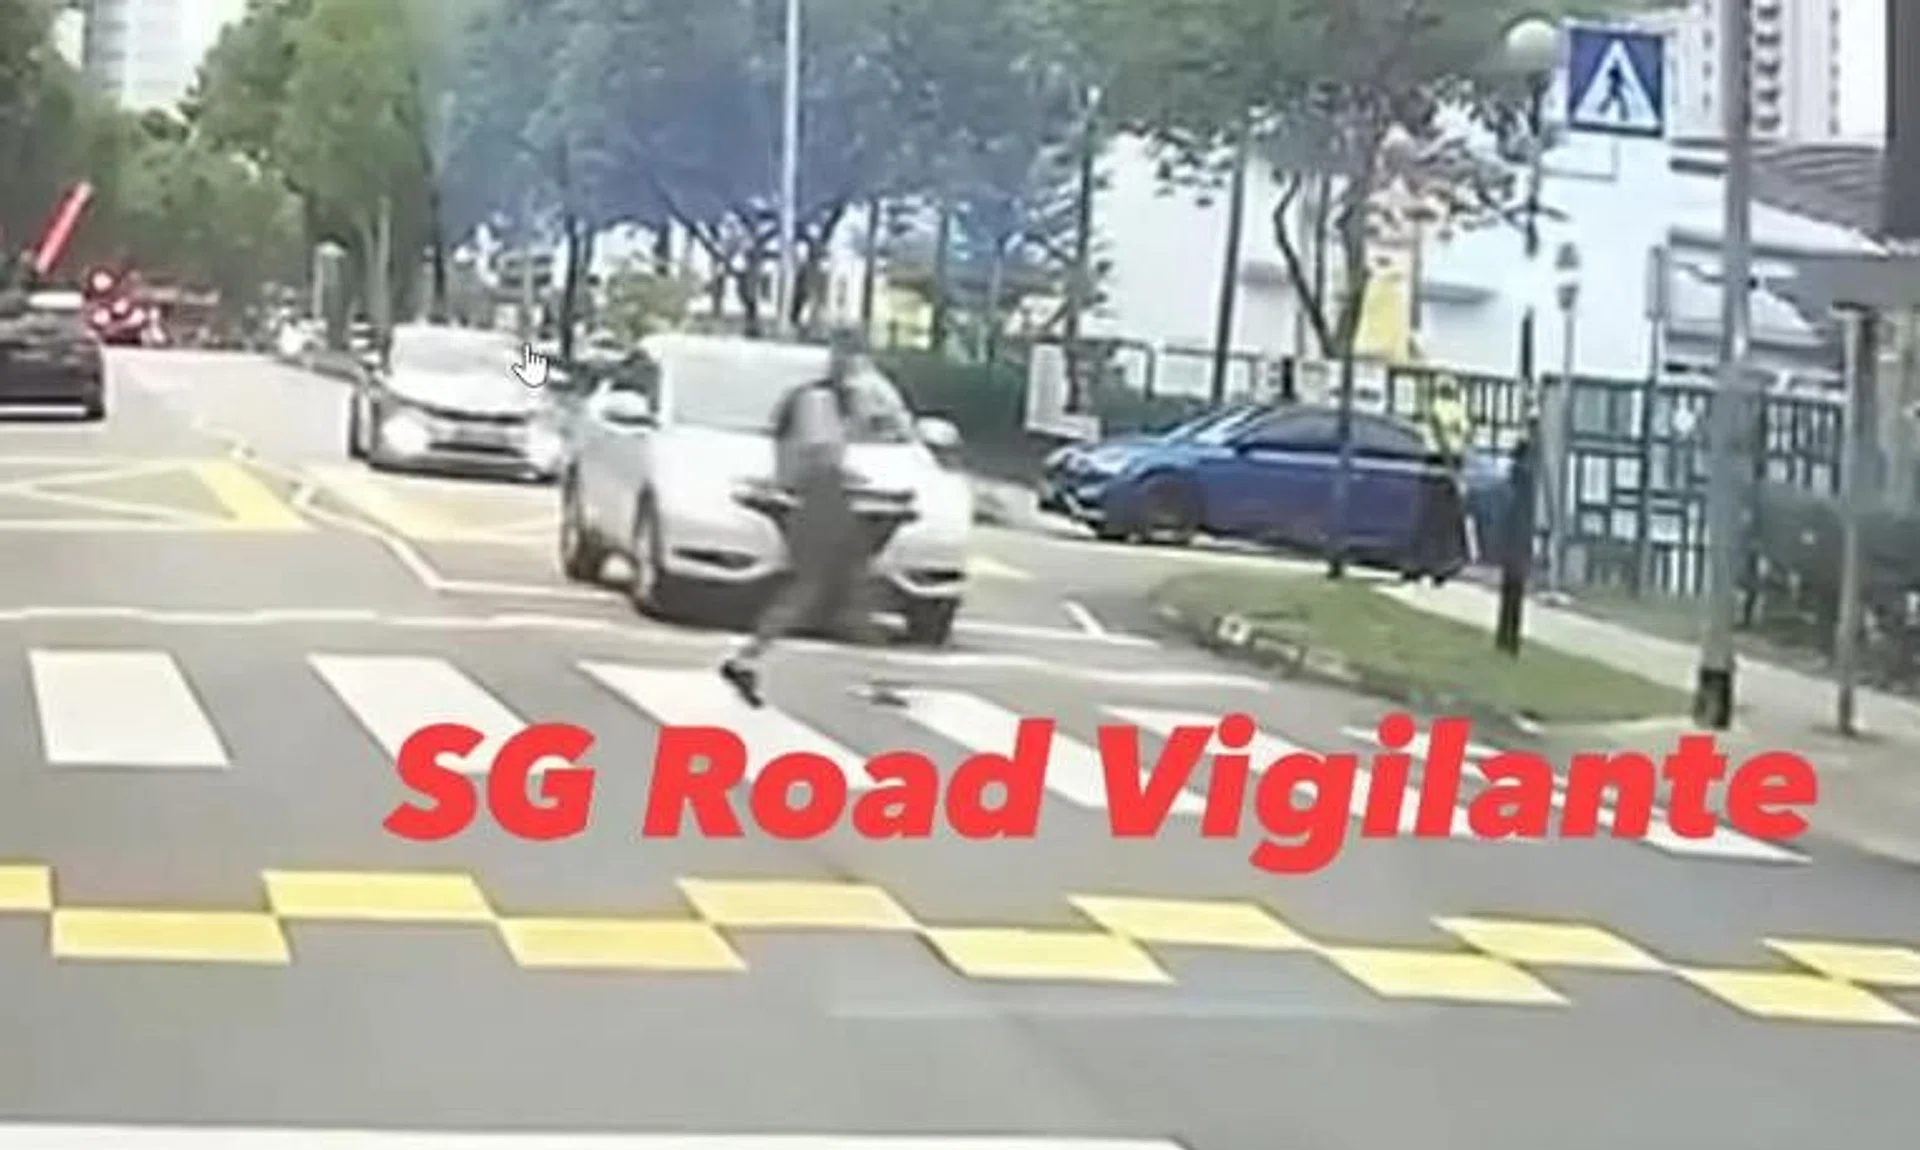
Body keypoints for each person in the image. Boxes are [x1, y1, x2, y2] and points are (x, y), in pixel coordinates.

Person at [720, 330, 881, 708]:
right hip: (820, 500)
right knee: (826, 586)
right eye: (851, 361)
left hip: (822, 496)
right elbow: (818, 452)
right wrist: (838, 476)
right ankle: (746, 658)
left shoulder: (828, 399)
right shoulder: (819, 399)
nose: (854, 370)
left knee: (846, 586)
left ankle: (876, 675)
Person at [1409, 373, 1472, 585]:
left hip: (1435, 462)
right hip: (1448, 462)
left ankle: (1421, 566)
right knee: (1444, 520)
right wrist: (1456, 471)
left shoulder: (1433, 408)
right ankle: (1439, 568)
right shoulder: (1457, 410)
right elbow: (1463, 437)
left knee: (1427, 518)